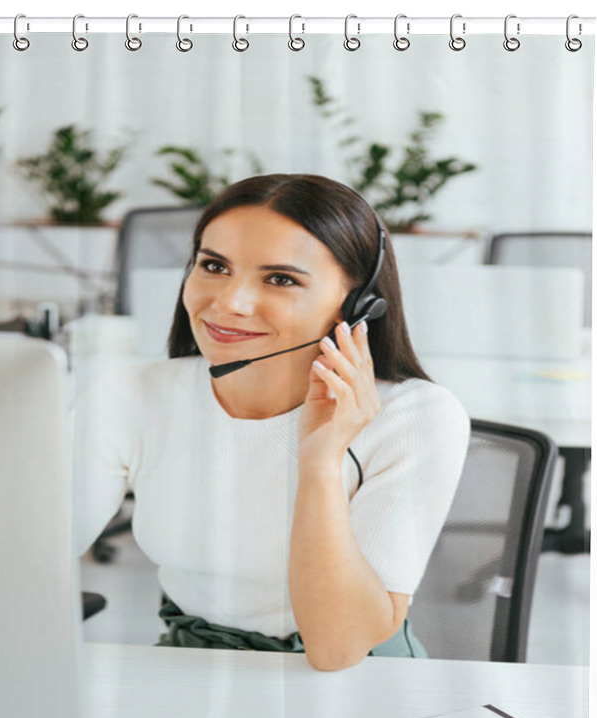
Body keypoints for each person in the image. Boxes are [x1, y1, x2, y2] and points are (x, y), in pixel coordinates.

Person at [71, 173, 471, 672]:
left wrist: (322, 461)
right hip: (191, 672)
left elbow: (337, 649)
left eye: (281, 278)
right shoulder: (133, 396)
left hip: (366, 685)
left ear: (357, 304)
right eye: (214, 265)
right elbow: (27, 557)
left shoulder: (416, 417)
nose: (229, 302)